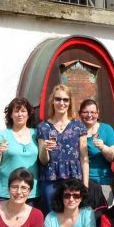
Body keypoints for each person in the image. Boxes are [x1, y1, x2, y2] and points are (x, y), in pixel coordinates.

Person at [37, 85, 89, 213]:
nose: (62, 103)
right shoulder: (43, 127)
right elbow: (43, 161)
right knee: (51, 216)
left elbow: (84, 157)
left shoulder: (78, 126)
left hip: (73, 178)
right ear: (52, 101)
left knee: (72, 216)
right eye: (58, 99)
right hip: (50, 179)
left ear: (70, 102)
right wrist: (45, 149)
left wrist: (85, 184)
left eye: (66, 100)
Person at [0, 97, 39, 205]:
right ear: (11, 115)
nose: (20, 114)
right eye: (16, 111)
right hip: (6, 192)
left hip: (31, 192)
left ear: (28, 114)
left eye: (23, 111)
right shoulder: (2, 135)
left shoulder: (37, 134)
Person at [79, 98, 114, 204]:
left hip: (103, 182)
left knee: (104, 215)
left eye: (93, 112)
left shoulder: (106, 129)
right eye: (85, 112)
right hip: (80, 182)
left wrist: (103, 147)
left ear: (98, 114)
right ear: (80, 113)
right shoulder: (75, 130)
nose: (89, 115)